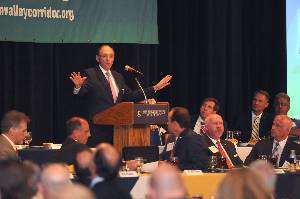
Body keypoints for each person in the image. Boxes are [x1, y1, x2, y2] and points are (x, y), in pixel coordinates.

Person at [70, 44, 172, 146]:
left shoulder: (118, 77)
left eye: (111, 56)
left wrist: (155, 88)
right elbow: (81, 94)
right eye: (104, 56)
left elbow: (131, 96)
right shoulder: (91, 74)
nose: (108, 59)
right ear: (97, 58)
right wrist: (78, 87)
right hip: (99, 130)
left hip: (119, 130)